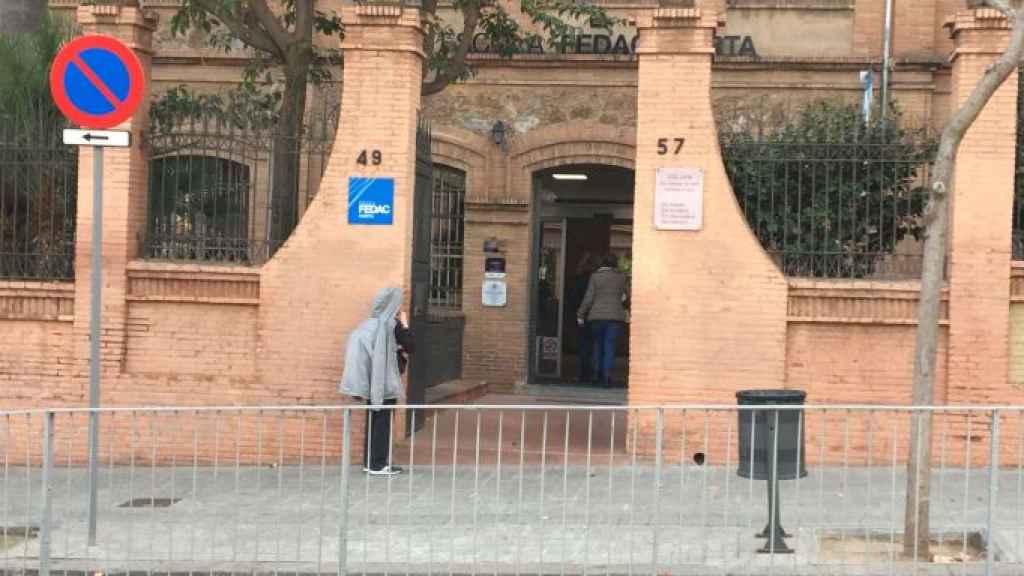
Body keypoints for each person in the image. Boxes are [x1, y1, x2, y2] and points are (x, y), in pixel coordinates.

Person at [339, 287, 415, 476]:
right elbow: (411, 346)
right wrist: (404, 324)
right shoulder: (392, 326)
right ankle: (378, 464)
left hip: (372, 381)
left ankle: (370, 462)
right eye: (398, 303)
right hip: (385, 382)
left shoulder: (367, 325)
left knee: (373, 420)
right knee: (383, 423)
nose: (400, 308)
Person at [577, 254, 628, 387]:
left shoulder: (595, 277)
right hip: (615, 318)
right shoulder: (621, 278)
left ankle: (596, 375)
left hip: (597, 317)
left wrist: (580, 314)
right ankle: (607, 376)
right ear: (615, 264)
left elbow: (589, 298)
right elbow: (626, 296)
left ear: (602, 264)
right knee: (609, 346)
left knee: (597, 346)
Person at [571, 253, 597, 383]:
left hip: (584, 315)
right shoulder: (597, 277)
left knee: (584, 346)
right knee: (595, 346)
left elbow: (575, 297)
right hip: (595, 315)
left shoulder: (580, 278)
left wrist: (578, 313)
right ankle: (594, 374)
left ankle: (583, 374)